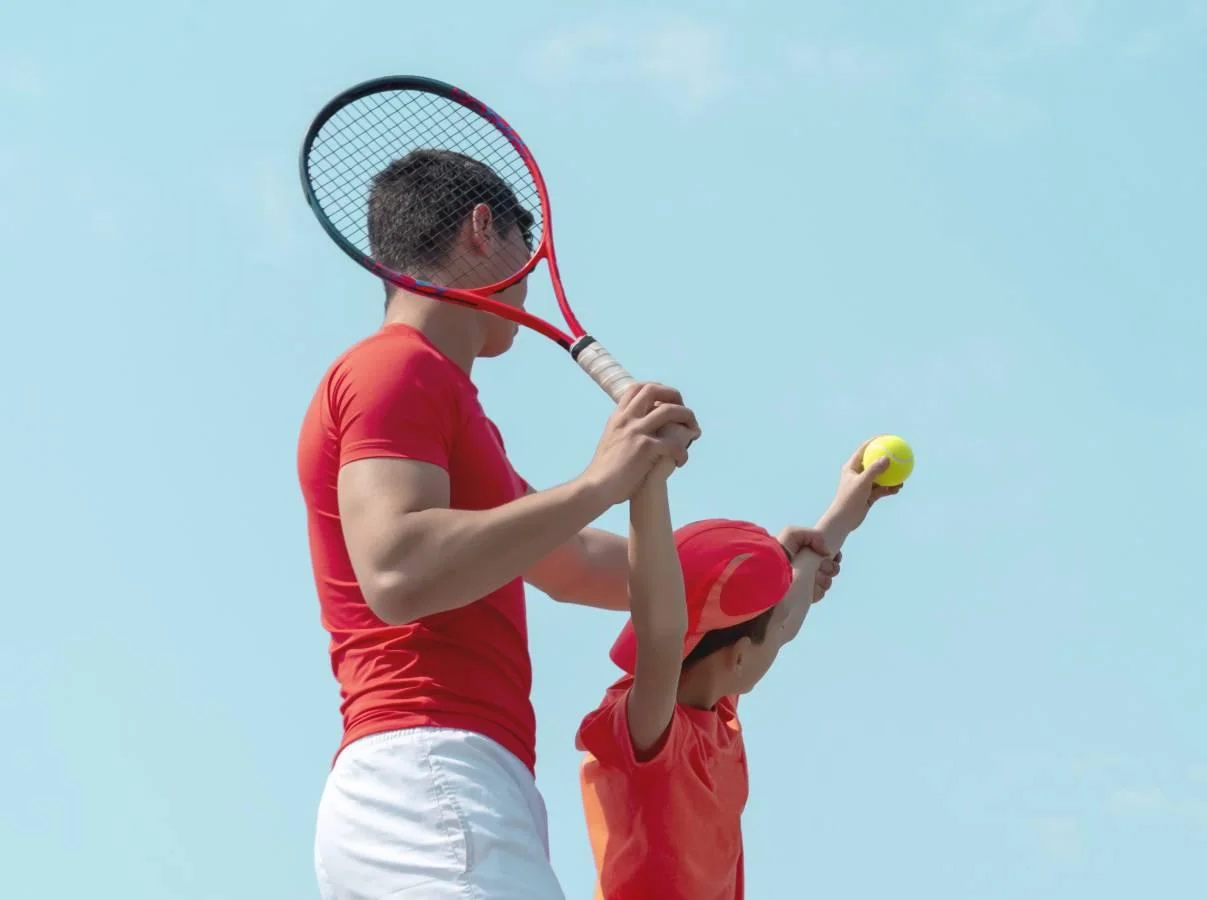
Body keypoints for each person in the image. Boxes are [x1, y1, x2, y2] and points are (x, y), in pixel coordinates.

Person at [297, 149, 842, 899]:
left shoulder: (446, 402)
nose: (530, 269)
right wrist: (598, 481)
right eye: (528, 237)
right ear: (484, 228)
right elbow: (398, 571)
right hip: (430, 771)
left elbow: (576, 561)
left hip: (443, 782)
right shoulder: (396, 369)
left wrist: (749, 577)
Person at [575, 443, 899, 900]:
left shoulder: (713, 691)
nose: (785, 630)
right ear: (740, 654)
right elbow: (663, 633)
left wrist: (848, 506)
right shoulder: (649, 727)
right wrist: (649, 481)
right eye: (776, 624)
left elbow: (777, 619)